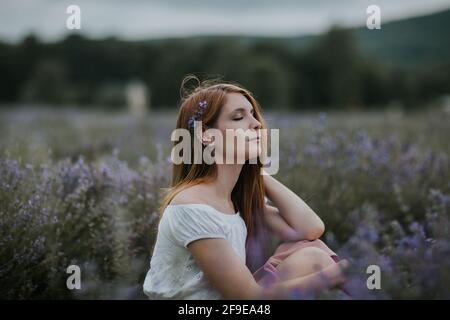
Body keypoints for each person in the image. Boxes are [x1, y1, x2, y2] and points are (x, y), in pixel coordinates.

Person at [143, 75, 348, 299]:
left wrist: (256, 172)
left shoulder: (232, 200)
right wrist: (335, 276)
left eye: (253, 115)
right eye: (239, 117)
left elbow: (310, 229)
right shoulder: (193, 206)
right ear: (205, 135)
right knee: (324, 265)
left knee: (312, 251)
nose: (256, 123)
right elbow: (248, 298)